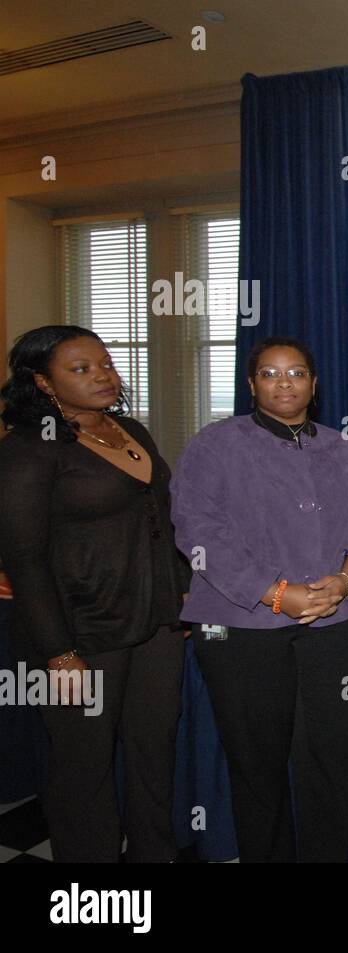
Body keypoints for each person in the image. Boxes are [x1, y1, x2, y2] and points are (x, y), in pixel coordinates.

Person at [172, 336, 348, 862]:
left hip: (334, 626)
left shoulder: (344, 449)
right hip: (242, 630)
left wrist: (346, 581)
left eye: (295, 373)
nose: (283, 383)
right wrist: (275, 593)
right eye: (270, 374)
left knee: (335, 757)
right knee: (257, 763)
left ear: (314, 385)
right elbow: (198, 532)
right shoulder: (214, 445)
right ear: (251, 385)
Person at [0, 325, 188, 862]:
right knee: (84, 768)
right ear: (43, 382)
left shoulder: (130, 429)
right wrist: (58, 653)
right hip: (81, 633)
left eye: (105, 363)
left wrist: (181, 599)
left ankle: (155, 854)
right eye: (81, 369)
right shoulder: (28, 450)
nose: (103, 375)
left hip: (155, 623)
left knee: (155, 751)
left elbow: (163, 523)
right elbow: (24, 561)